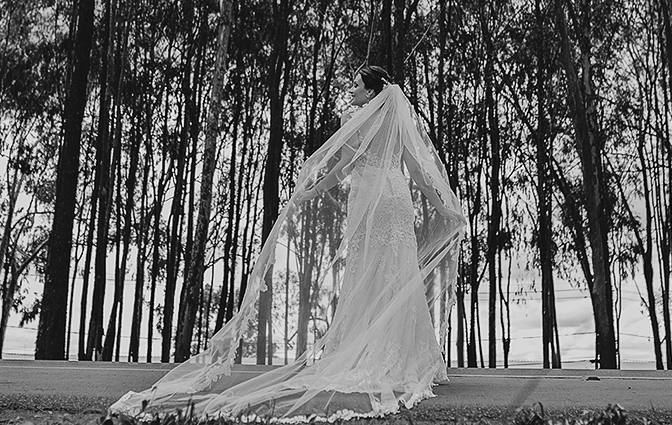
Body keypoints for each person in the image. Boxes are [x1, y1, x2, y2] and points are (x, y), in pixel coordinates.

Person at [109, 66, 466, 422]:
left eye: (357, 85)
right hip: (397, 199)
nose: (351, 89)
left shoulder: (353, 119)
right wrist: (444, 207)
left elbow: (343, 167)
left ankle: (367, 355)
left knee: (366, 274)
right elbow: (417, 171)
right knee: (399, 272)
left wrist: (312, 191)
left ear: (372, 93)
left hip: (370, 198)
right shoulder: (397, 121)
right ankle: (407, 356)